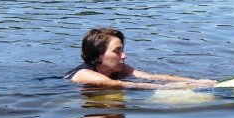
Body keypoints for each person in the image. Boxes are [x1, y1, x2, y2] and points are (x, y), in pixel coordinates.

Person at [64, 28, 217, 89]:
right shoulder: (84, 74)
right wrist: (187, 87)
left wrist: (199, 81)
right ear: (98, 56)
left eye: (122, 50)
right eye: (117, 51)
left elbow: (154, 77)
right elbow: (125, 85)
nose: (124, 55)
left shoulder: (118, 68)